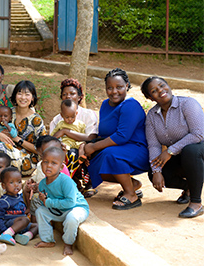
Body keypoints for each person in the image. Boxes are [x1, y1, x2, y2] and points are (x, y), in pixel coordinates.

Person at [82, 68, 149, 210]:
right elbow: (103, 134)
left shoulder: (130, 105)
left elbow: (122, 136)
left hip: (137, 150)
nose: (114, 91)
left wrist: (94, 147)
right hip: (116, 148)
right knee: (92, 161)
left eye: (119, 87)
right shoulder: (105, 104)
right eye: (110, 88)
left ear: (127, 86)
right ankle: (132, 184)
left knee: (109, 155)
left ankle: (131, 195)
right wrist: (88, 147)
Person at [141, 76, 204, 218]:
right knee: (153, 172)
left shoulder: (188, 104)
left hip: (199, 152)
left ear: (168, 86)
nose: (161, 91)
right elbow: (154, 144)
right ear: (150, 98)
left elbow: (199, 134)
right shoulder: (152, 116)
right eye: (154, 91)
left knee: (190, 150)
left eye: (162, 86)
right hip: (181, 157)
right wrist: (156, 171)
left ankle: (196, 203)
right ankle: (188, 188)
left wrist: (170, 151)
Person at [34, 147, 89, 256]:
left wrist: (48, 202)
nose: (49, 165)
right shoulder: (42, 184)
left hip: (76, 207)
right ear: (41, 164)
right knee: (40, 211)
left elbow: (70, 203)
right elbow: (45, 204)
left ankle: (68, 243)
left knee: (71, 218)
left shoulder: (65, 181)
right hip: (60, 210)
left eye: (54, 163)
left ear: (61, 167)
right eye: (45, 162)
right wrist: (43, 200)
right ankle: (47, 240)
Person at [49, 78, 98, 197]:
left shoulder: (88, 114)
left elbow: (91, 137)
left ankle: (89, 183)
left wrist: (65, 131)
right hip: (65, 148)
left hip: (83, 148)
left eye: (72, 93)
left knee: (84, 150)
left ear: (80, 96)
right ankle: (71, 183)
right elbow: (52, 138)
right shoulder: (57, 119)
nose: (68, 96)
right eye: (65, 94)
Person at [0, 80, 47, 176]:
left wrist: (17, 139)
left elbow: (41, 149)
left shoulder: (36, 120)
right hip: (2, 151)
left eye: (27, 94)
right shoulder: (8, 112)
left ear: (32, 98)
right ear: (15, 96)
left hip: (26, 160)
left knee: (1, 149)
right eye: (19, 93)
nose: (23, 97)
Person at [24, 136, 70, 222]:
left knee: (36, 198)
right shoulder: (46, 165)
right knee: (27, 189)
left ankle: (37, 224)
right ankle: (31, 214)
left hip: (58, 199)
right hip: (50, 195)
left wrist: (39, 189)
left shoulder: (60, 167)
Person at [0, 167, 38, 246]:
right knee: (25, 220)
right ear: (3, 186)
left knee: (37, 226)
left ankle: (24, 236)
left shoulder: (20, 197)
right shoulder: (3, 201)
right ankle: (7, 234)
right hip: (9, 225)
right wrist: (3, 230)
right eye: (11, 182)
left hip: (21, 225)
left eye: (19, 182)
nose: (16, 185)